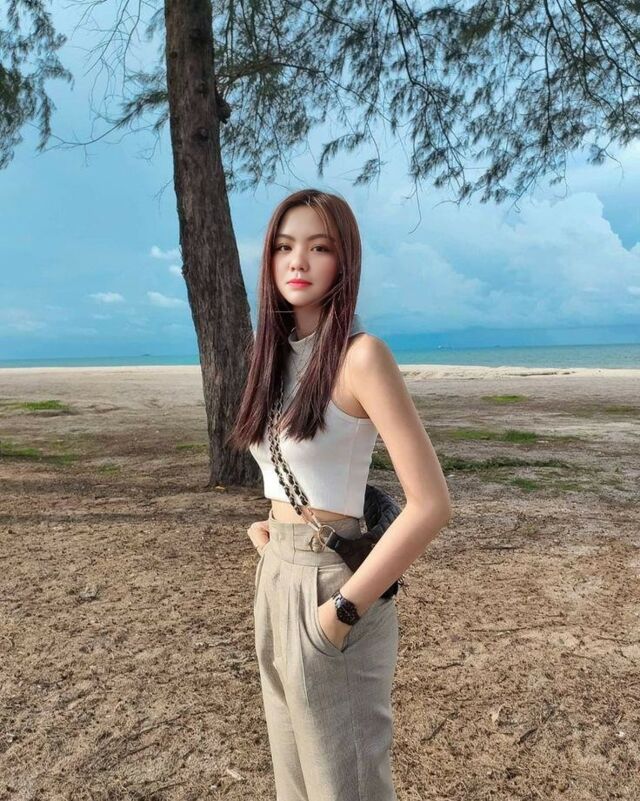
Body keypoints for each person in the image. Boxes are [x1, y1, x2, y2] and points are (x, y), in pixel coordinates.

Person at [228, 188, 452, 801]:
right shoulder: (268, 359)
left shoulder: (362, 358)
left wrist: (342, 612)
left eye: (319, 248)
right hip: (277, 576)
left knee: (344, 784)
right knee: (295, 782)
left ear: (344, 261)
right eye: (284, 247)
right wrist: (272, 534)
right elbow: (289, 464)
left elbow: (431, 504)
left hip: (334, 587)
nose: (298, 261)